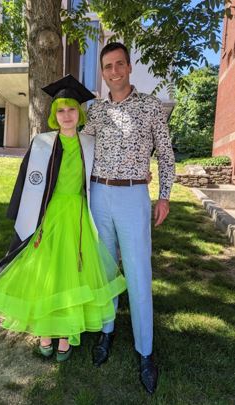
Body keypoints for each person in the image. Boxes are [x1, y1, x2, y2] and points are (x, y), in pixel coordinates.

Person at [0, 74, 126, 362]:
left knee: (72, 271)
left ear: (79, 112)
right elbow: (28, 180)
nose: (67, 115)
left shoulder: (89, 143)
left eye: (72, 109)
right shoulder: (43, 144)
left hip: (78, 215)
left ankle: (66, 335)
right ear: (53, 115)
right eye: (60, 110)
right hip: (48, 214)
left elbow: (104, 169)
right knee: (47, 272)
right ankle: (47, 331)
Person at [80, 43, 175, 394]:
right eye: (108, 66)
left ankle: (146, 352)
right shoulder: (96, 111)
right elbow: (81, 148)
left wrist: (164, 195)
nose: (114, 71)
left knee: (137, 274)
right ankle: (107, 332)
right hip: (99, 195)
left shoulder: (150, 105)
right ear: (102, 72)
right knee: (105, 270)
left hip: (134, 195)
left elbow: (165, 154)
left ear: (129, 66)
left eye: (120, 64)